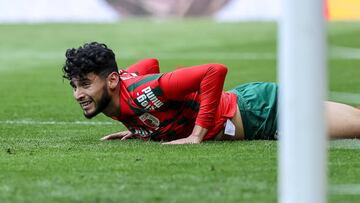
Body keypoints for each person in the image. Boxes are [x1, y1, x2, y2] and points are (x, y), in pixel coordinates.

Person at [62, 42, 360, 144]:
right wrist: (140, 128)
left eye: (86, 84)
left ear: (112, 80)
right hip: (250, 110)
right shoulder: (120, 97)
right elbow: (149, 63)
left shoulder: (143, 91)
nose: (78, 94)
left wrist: (197, 134)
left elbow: (214, 70)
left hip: (265, 111)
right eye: (75, 85)